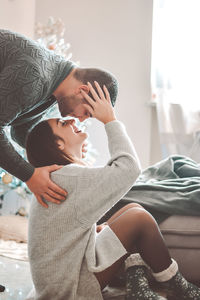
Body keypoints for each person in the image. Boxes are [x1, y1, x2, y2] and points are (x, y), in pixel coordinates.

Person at [26, 82, 200, 300]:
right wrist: (110, 120)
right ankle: (175, 284)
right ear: (59, 144)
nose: (71, 120)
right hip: (71, 289)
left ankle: (137, 282)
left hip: (62, 279)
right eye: (63, 123)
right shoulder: (68, 176)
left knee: (131, 208)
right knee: (139, 217)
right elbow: (129, 169)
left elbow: (65, 228)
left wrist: (94, 230)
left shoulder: (61, 176)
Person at [0, 29, 118, 207]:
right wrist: (29, 175)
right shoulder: (35, 77)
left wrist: (63, 151)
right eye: (87, 112)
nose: (81, 120)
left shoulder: (53, 85)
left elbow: (21, 131)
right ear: (82, 91)